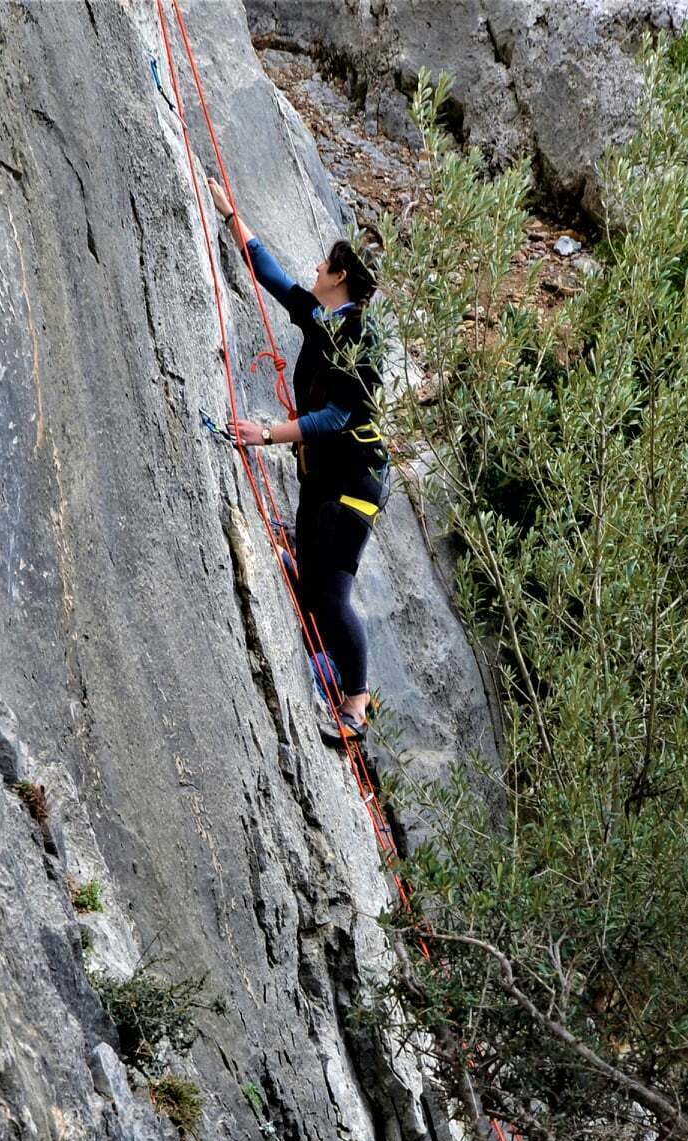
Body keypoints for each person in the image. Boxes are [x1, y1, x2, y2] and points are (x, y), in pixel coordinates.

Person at [207, 178, 389, 746]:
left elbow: (337, 417)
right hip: (323, 475)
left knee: (332, 591)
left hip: (355, 479)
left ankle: (357, 704)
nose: (316, 265)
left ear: (340, 275)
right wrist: (233, 216)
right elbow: (279, 282)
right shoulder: (324, 317)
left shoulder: (359, 337)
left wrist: (264, 433)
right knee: (308, 577)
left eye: (325, 262)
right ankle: (328, 669)